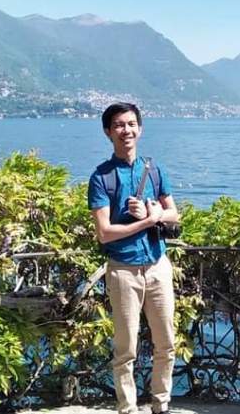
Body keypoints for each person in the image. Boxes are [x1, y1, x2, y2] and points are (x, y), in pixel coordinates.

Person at [88, 102, 180, 414]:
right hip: (123, 270)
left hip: (157, 266)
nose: (125, 130)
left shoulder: (154, 170)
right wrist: (146, 221)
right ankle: (127, 408)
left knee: (166, 343)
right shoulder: (101, 177)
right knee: (125, 348)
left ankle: (161, 405)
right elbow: (104, 233)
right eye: (118, 125)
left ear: (139, 129)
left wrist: (155, 214)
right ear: (107, 132)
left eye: (130, 124)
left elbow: (174, 213)